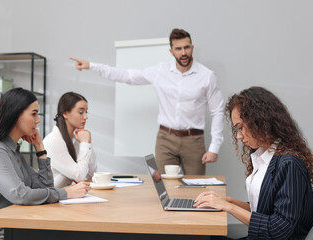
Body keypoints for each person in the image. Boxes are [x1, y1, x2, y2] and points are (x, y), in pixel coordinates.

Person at [70, 28, 224, 175]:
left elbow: (217, 110)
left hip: (193, 140)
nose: (183, 53)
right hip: (165, 140)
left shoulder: (206, 76)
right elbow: (127, 75)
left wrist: (214, 147)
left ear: (192, 47)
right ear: (171, 51)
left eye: (186, 47)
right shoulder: (161, 71)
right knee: (165, 188)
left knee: (195, 190)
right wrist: (92, 66)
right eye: (178, 49)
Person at [0, 88, 91, 240]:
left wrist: (40, 149)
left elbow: (45, 187)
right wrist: (65, 193)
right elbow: (20, 194)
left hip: (9, 224)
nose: (38, 120)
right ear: (16, 114)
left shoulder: (13, 150)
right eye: (34, 114)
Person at [194, 87, 313, 239]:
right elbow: (263, 209)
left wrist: (228, 206)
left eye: (240, 128)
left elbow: (278, 229)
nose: (238, 136)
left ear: (260, 121)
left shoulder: (289, 163)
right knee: (206, 236)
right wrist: (226, 200)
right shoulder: (266, 157)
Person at [43, 92, 97, 188]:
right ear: (65, 114)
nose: (86, 117)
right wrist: (85, 144)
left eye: (86, 112)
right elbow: (79, 176)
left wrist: (88, 143)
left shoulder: (76, 139)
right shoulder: (52, 141)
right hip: (53, 199)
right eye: (81, 112)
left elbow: (92, 173)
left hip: (68, 196)